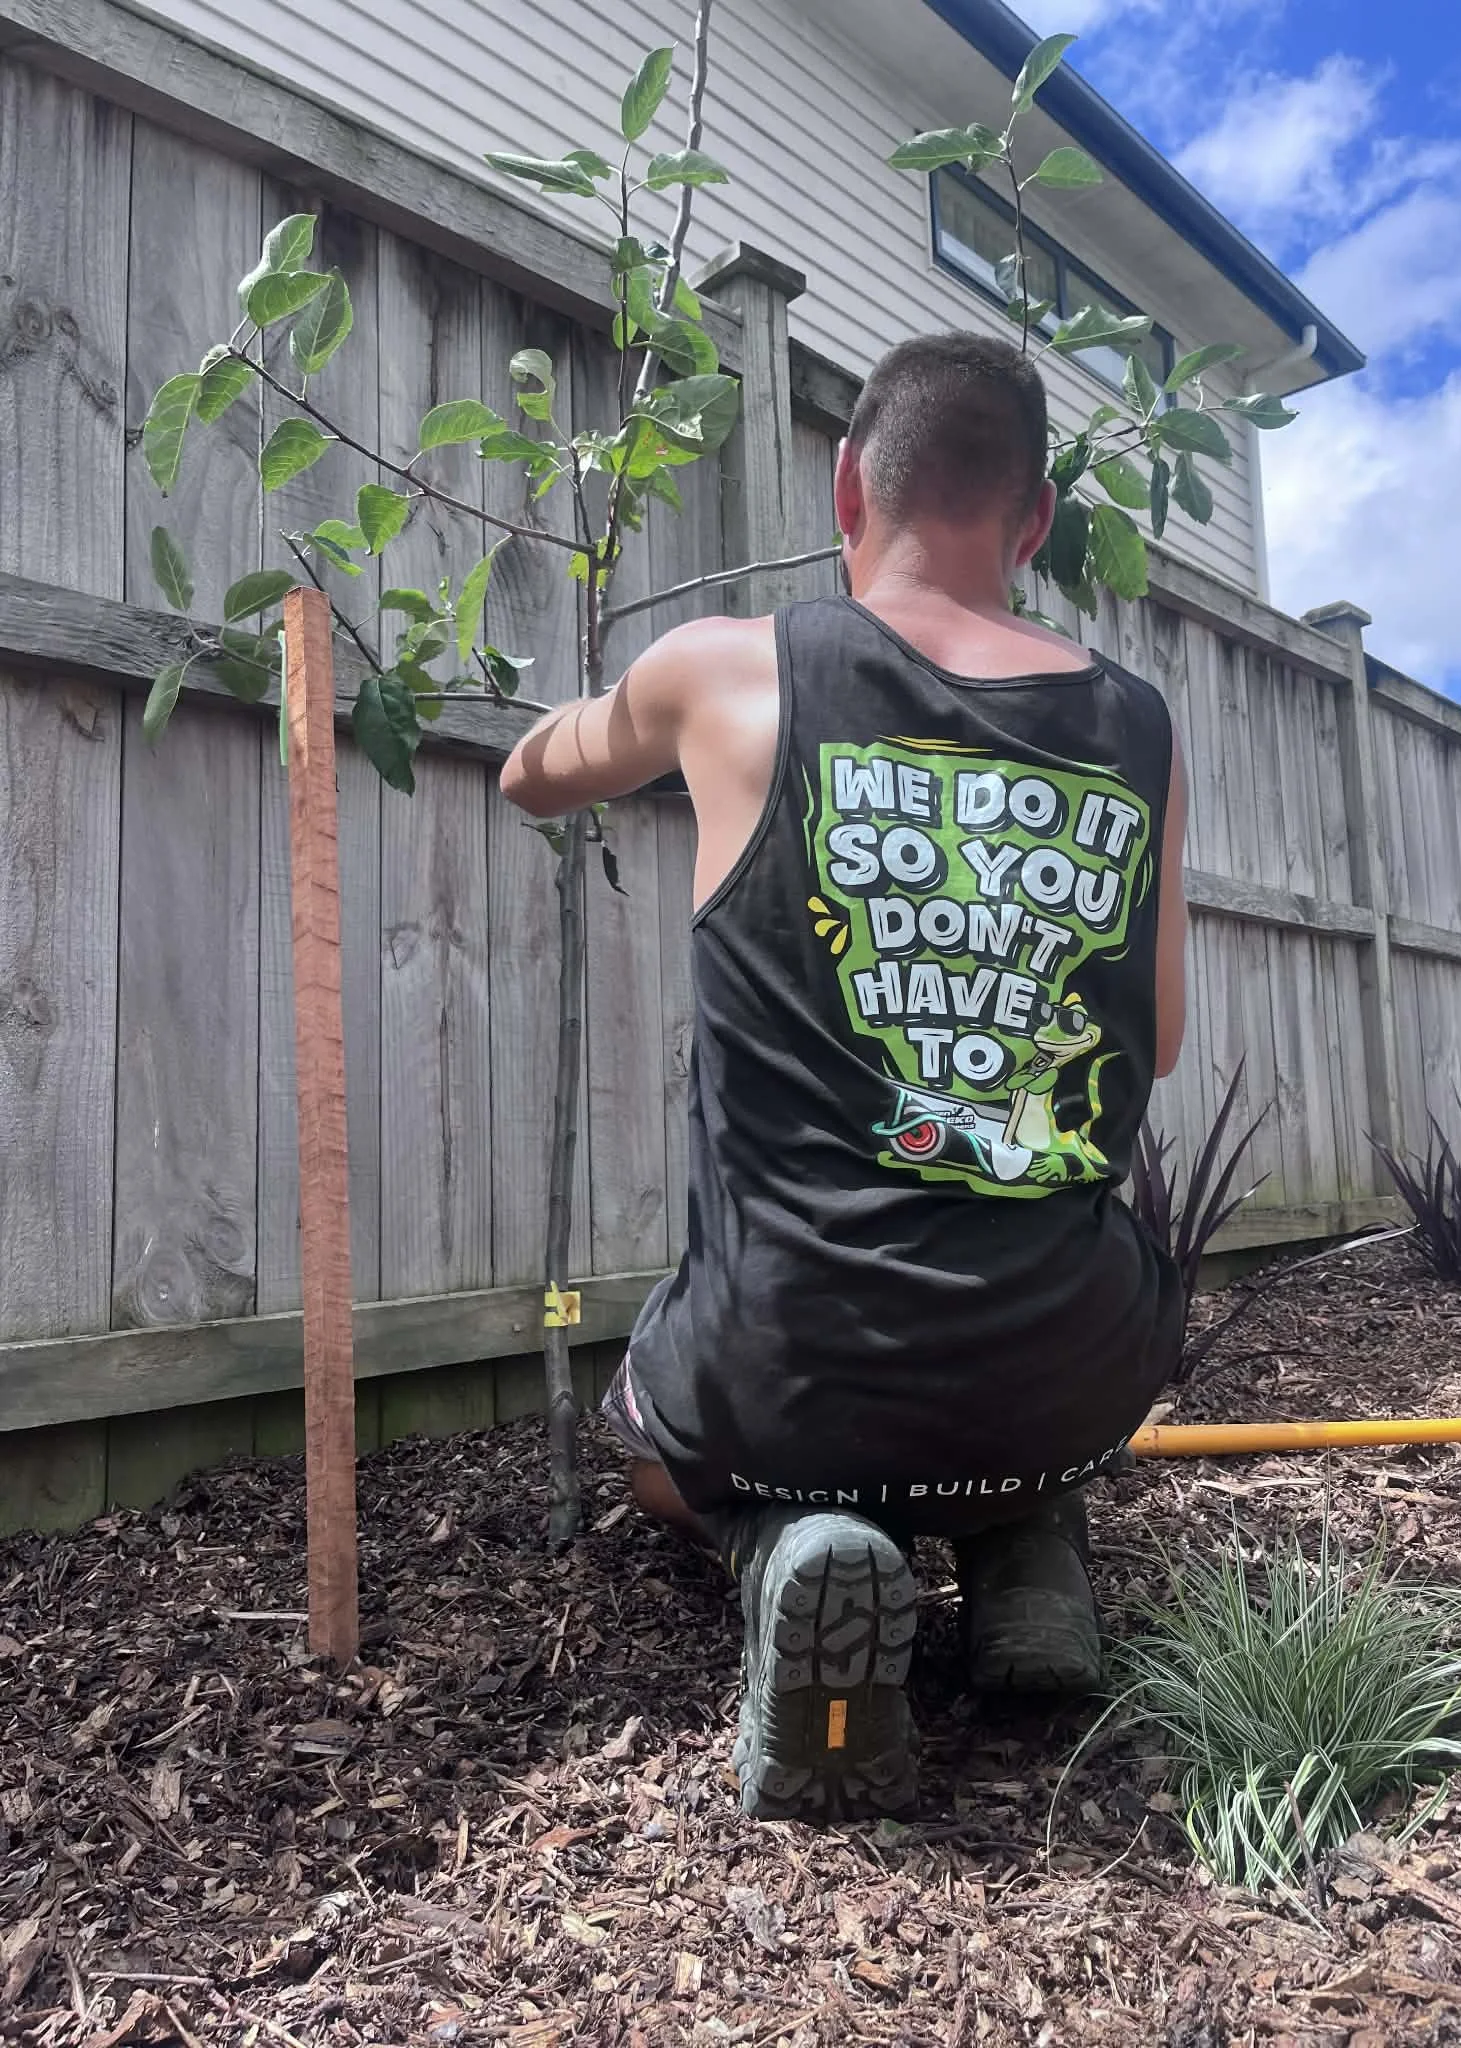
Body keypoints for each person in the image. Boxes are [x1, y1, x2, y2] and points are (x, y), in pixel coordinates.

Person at [500, 333, 1188, 1822]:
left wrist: (562, 715)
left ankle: (795, 1551)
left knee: (653, 1453)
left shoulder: (724, 671)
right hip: (1076, 1361)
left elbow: (534, 772)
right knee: (1016, 1362)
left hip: (787, 1369)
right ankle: (1025, 1552)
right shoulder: (1136, 728)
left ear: (843, 489)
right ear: (1037, 521)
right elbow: (1166, 1040)